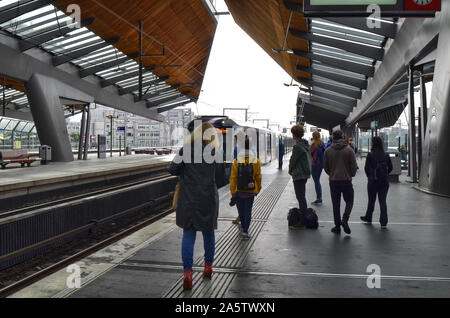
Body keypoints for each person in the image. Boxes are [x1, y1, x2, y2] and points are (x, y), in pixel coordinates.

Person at [168, 122, 220, 291]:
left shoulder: (186, 149)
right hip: (208, 199)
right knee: (208, 233)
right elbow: (221, 175)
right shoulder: (214, 152)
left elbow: (173, 169)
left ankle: (188, 274)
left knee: (188, 235)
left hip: (188, 199)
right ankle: (208, 267)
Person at [323, 130, 358, 235]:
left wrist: (332, 173)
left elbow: (326, 167)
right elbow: (354, 166)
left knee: (336, 204)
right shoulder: (349, 150)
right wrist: (350, 174)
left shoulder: (328, 151)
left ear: (333, 138)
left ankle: (337, 226)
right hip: (346, 181)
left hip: (334, 181)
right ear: (343, 137)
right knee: (349, 201)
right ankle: (345, 220)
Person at [230, 136, 262, 240]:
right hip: (250, 191)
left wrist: (233, 192)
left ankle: (243, 226)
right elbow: (258, 177)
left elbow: (233, 178)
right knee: (248, 211)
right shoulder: (256, 161)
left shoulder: (236, 161)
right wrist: (257, 189)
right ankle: (245, 231)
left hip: (239, 191)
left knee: (241, 212)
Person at [361, 136, 393, 229]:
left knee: (371, 200)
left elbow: (366, 168)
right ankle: (383, 222)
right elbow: (391, 168)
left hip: (373, 181)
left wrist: (370, 176)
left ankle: (368, 218)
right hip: (384, 182)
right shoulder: (386, 154)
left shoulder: (370, 155)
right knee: (382, 201)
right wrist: (385, 175)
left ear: (373, 144)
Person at [289, 125, 312, 215]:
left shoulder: (298, 147)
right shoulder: (305, 145)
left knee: (300, 197)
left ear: (295, 135)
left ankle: (304, 218)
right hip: (305, 174)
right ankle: (304, 215)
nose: (292, 135)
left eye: (293, 134)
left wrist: (290, 170)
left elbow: (293, 160)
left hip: (299, 174)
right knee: (301, 196)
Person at [310, 131, 325, 205]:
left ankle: (319, 198)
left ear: (313, 136)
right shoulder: (322, 144)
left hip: (314, 164)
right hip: (321, 165)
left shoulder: (313, 144)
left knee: (316, 181)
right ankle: (319, 197)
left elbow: (310, 154)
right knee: (317, 181)